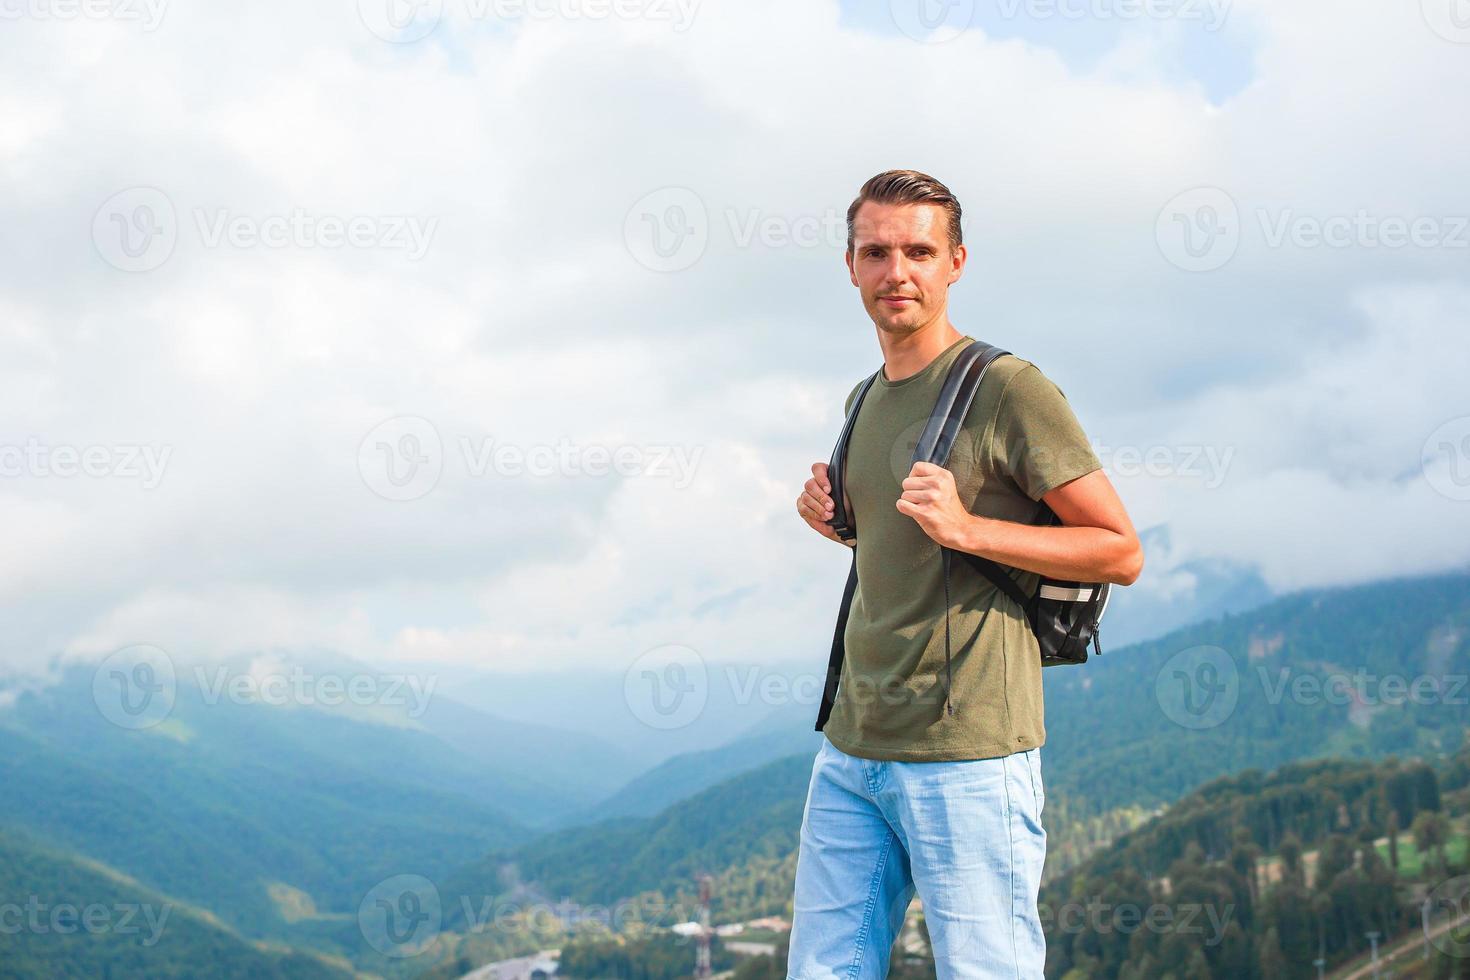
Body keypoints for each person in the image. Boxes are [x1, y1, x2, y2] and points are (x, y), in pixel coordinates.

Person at [788, 170, 1144, 980]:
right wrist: (839, 524)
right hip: (852, 749)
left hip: (968, 754)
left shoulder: (1007, 390)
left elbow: (1119, 550)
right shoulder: (862, 398)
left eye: (919, 250)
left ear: (957, 262)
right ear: (850, 266)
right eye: (876, 252)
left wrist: (968, 526)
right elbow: (907, 555)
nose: (897, 271)